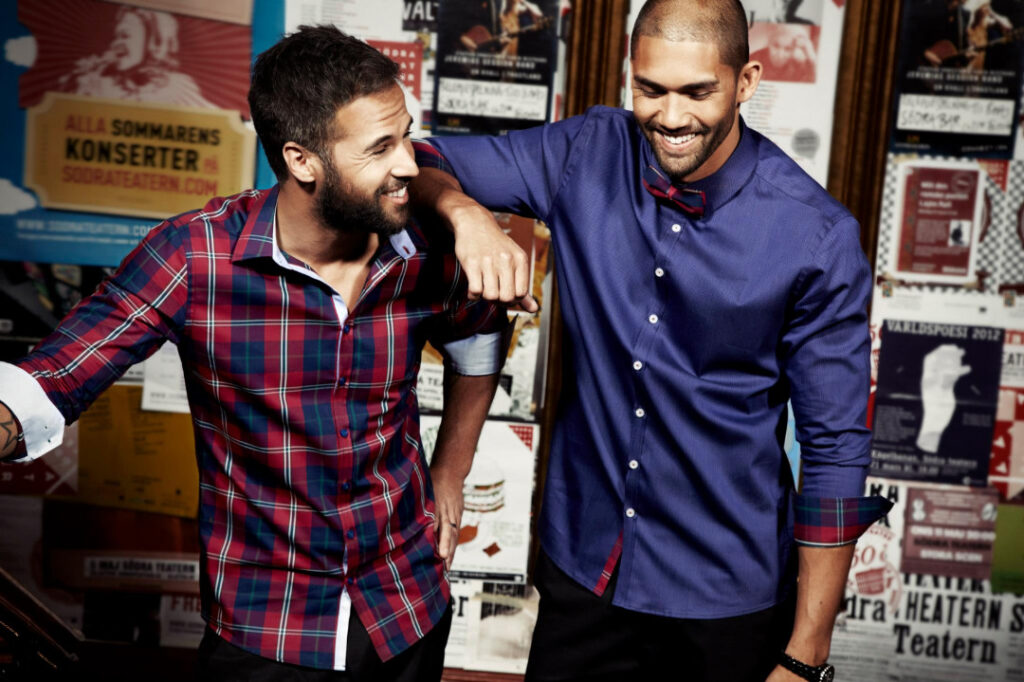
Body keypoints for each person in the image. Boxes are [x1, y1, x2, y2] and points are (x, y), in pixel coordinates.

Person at [1, 25, 508, 681]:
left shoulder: (423, 243)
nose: (409, 163)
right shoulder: (195, 256)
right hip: (269, 627)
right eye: (381, 147)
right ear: (303, 161)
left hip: (407, 608)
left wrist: (452, 472)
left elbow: (479, 335)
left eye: (405, 136)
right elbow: (53, 377)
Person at [410, 0, 892, 680]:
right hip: (586, 569)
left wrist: (805, 653)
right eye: (650, 89)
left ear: (746, 82)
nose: (670, 116)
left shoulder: (817, 236)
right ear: (629, 75)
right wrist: (465, 215)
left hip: (726, 598)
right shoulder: (584, 152)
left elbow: (835, 447)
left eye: (697, 91)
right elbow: (417, 159)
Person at [58, 6, 215, 108]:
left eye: (125, 35)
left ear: (154, 43)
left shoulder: (177, 88)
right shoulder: (94, 86)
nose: (116, 44)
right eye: (116, 36)